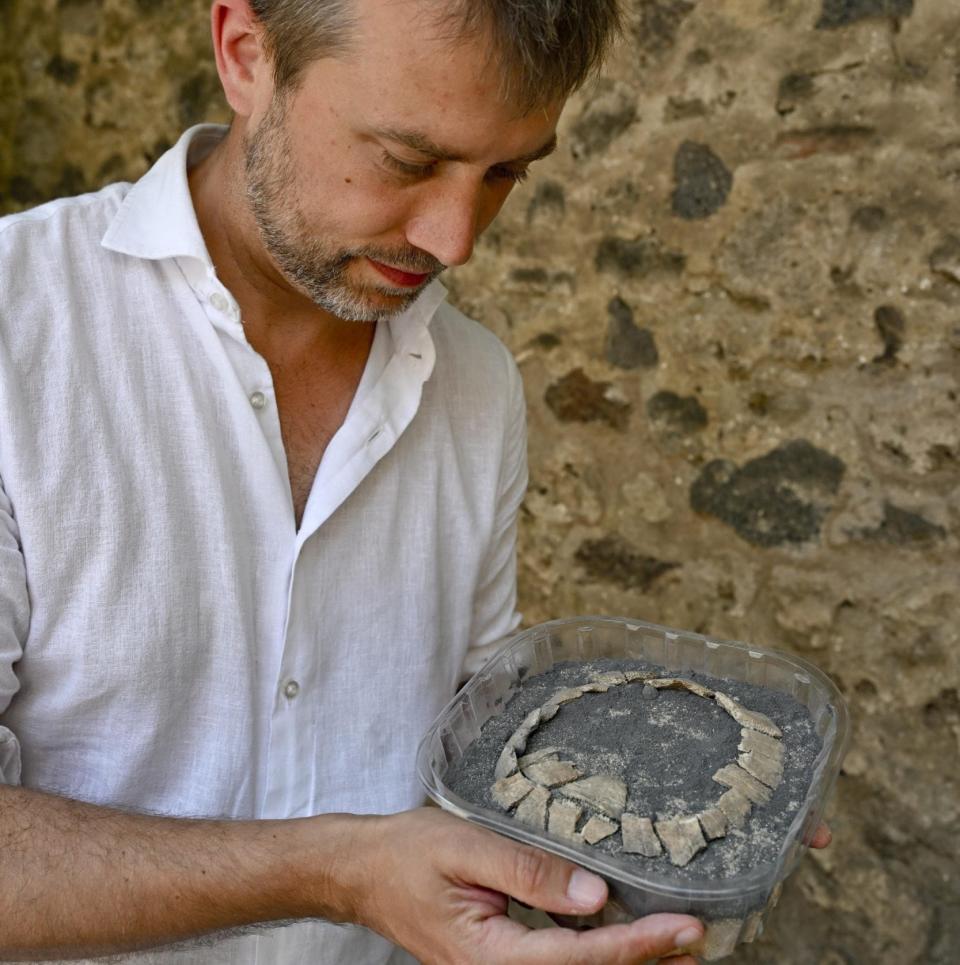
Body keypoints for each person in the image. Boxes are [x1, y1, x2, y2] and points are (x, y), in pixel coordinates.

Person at [0, 1, 829, 962]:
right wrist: (340, 873)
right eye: (407, 159)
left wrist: (663, 797)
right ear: (244, 53)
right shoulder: (20, 333)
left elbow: (477, 742)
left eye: (506, 172)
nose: (455, 239)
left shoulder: (476, 388)